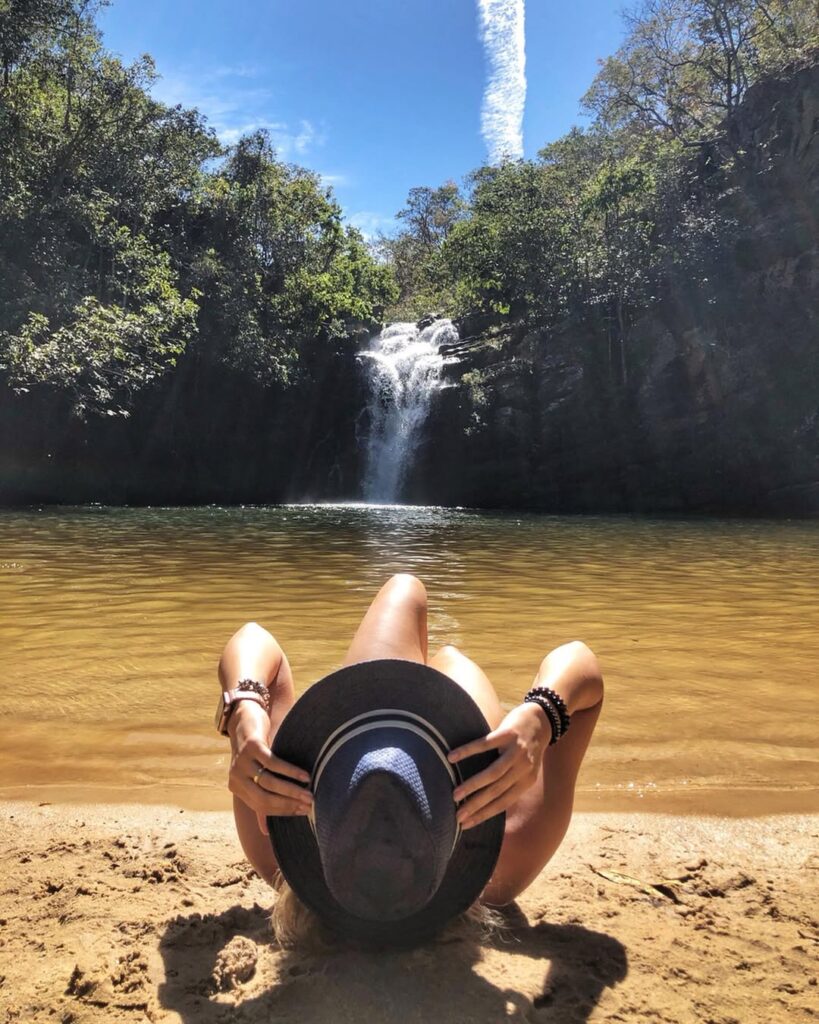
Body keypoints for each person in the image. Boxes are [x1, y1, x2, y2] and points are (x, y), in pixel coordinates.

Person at [215, 573, 604, 944]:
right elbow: (582, 663)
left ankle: (408, 709)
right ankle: (427, 689)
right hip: (460, 739)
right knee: (442, 645)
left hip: (421, 741)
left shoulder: (273, 832)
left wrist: (243, 708)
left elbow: (252, 638)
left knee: (406, 590)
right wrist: (542, 715)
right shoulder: (507, 853)